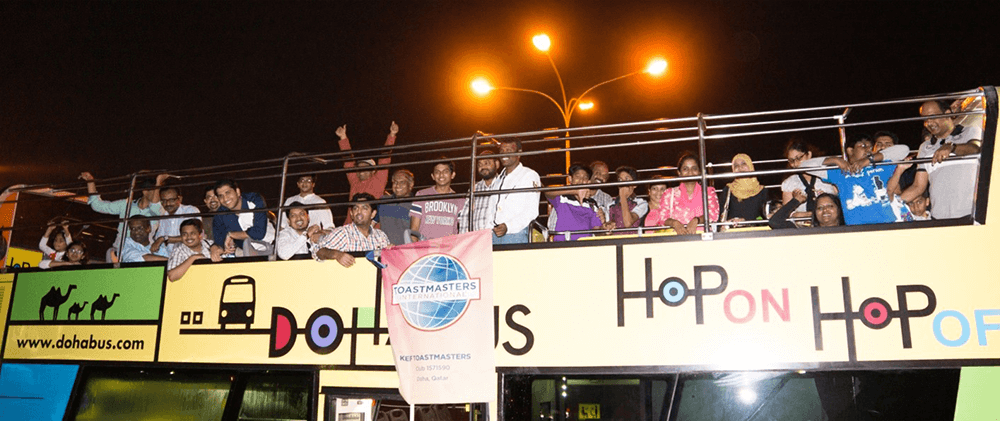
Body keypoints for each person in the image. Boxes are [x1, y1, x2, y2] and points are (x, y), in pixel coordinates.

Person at [798, 134, 910, 225]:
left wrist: (869, 160)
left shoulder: (881, 166)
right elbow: (804, 165)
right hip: (856, 227)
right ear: (850, 151)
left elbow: (904, 150)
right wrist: (835, 160)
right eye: (863, 146)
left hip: (886, 223)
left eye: (870, 147)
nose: (868, 149)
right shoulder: (839, 172)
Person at [900, 100, 983, 219]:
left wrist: (952, 147)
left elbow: (975, 148)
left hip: (970, 215)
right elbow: (918, 186)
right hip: (939, 218)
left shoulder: (970, 131)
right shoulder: (925, 147)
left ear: (948, 113)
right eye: (925, 119)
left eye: (933, 117)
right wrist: (894, 203)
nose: (929, 122)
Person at [80, 172, 168, 259]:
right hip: (120, 252)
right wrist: (90, 181)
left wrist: (158, 181)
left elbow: (155, 207)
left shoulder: (160, 210)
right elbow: (97, 206)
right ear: (145, 191)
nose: (160, 196)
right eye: (157, 191)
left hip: (145, 251)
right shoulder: (126, 205)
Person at [336, 122, 398, 224]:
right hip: (350, 226)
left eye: (365, 168)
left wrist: (392, 135)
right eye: (359, 168)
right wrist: (343, 137)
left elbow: (384, 160)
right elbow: (348, 162)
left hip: (371, 228)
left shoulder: (378, 180)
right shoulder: (354, 181)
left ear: (373, 171)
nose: (361, 170)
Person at [312, 193, 390, 268]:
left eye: (364, 208)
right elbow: (317, 251)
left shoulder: (381, 236)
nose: (359, 212)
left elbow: (387, 263)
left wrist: (392, 251)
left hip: (374, 280)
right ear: (351, 213)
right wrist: (337, 255)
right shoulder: (343, 233)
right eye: (356, 208)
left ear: (373, 214)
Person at [490, 138, 542, 244]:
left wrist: (508, 226)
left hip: (516, 235)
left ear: (519, 153)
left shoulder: (529, 175)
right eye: (502, 151)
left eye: (509, 150)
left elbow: (531, 211)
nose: (504, 154)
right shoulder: (497, 180)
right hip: (493, 235)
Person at [210, 179, 276, 261]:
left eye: (228, 193)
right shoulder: (221, 214)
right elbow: (219, 240)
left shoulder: (254, 200)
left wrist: (232, 235)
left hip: (271, 247)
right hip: (245, 252)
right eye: (221, 196)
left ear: (237, 192)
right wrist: (215, 248)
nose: (225, 198)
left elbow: (259, 233)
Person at [656, 154, 720, 235]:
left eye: (694, 168)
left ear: (699, 172)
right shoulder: (669, 194)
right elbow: (662, 218)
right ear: (679, 172)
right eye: (685, 169)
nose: (690, 172)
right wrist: (674, 223)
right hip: (676, 240)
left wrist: (697, 220)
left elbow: (713, 215)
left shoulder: (708, 192)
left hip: (703, 239)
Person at [409, 159, 466, 242]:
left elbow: (464, 230)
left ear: (452, 175)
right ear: (433, 176)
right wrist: (415, 250)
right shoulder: (421, 195)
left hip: (448, 249)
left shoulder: (460, 200)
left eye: (445, 171)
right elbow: (414, 229)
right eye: (437, 172)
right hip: (425, 248)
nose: (441, 175)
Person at [780, 140, 838, 221]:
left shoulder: (826, 176)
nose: (796, 164)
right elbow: (786, 212)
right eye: (791, 161)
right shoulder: (789, 183)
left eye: (799, 158)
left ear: (809, 155)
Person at [544, 164, 604, 241]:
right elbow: (547, 192)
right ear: (570, 179)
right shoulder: (562, 198)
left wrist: (605, 226)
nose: (581, 180)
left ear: (588, 182)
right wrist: (575, 191)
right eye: (577, 176)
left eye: (585, 178)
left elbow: (597, 230)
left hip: (585, 246)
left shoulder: (591, 203)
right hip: (563, 244)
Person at [718, 154, 769, 228]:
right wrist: (729, 222)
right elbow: (720, 216)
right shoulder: (728, 189)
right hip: (732, 233)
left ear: (750, 166)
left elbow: (764, 218)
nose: (739, 167)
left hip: (755, 234)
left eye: (743, 163)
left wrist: (747, 221)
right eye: (736, 165)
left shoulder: (762, 191)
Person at [458, 150, 501, 234]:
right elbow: (465, 216)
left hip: (498, 238)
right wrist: (463, 239)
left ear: (497, 164)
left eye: (487, 163)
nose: (483, 167)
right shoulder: (474, 189)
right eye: (480, 165)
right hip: (478, 240)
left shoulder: (504, 185)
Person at [155, 186, 201, 256]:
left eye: (171, 200)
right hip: (170, 257)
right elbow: (159, 241)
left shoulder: (190, 211)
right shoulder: (163, 218)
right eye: (164, 201)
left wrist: (164, 239)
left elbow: (194, 236)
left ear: (179, 199)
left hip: (190, 255)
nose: (167, 204)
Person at [603, 166, 648, 233]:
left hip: (633, 241)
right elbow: (606, 227)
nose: (623, 183)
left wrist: (623, 196)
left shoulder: (641, 203)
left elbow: (628, 223)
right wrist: (608, 225)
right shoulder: (610, 204)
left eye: (627, 179)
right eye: (620, 180)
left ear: (635, 184)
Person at [377, 169, 415, 246]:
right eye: (395, 182)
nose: (397, 185)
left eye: (402, 182)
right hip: (385, 250)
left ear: (411, 184)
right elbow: (371, 224)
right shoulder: (383, 201)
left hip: (406, 252)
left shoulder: (417, 204)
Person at [770, 191, 844, 229]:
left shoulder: (850, 229)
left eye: (830, 206)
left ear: (838, 209)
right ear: (814, 212)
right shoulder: (807, 232)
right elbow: (775, 221)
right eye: (820, 208)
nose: (825, 210)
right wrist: (795, 201)